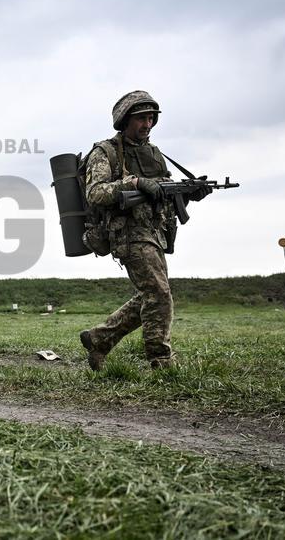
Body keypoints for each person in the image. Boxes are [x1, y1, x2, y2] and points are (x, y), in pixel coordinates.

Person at [78, 91, 208, 370]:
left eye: (151, 118)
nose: (147, 124)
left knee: (151, 295)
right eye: (141, 118)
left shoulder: (154, 154)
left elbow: (162, 192)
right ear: (125, 120)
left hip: (154, 232)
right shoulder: (106, 152)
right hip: (127, 233)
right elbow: (96, 193)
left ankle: (99, 339)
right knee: (158, 294)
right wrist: (134, 183)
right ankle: (161, 361)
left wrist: (188, 193)